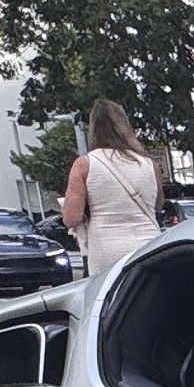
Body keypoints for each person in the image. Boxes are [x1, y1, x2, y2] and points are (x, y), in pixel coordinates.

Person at [60, 99, 161, 278]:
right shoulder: (149, 164)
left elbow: (71, 218)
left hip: (107, 248)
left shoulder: (84, 165)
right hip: (150, 244)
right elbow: (158, 205)